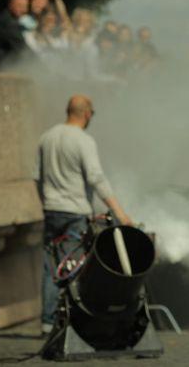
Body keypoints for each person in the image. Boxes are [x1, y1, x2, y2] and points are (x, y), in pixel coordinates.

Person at [34, 95, 132, 334]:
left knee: (52, 266)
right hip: (75, 212)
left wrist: (46, 202)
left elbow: (37, 177)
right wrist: (120, 213)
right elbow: (96, 178)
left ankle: (47, 321)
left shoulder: (47, 137)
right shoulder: (83, 141)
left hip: (51, 210)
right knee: (74, 266)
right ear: (87, 113)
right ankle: (73, 321)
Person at [0, 0, 30, 69]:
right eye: (19, 6)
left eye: (25, 6)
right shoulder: (6, 22)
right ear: (10, 5)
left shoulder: (9, 19)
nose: (24, 10)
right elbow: (22, 48)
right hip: (1, 69)